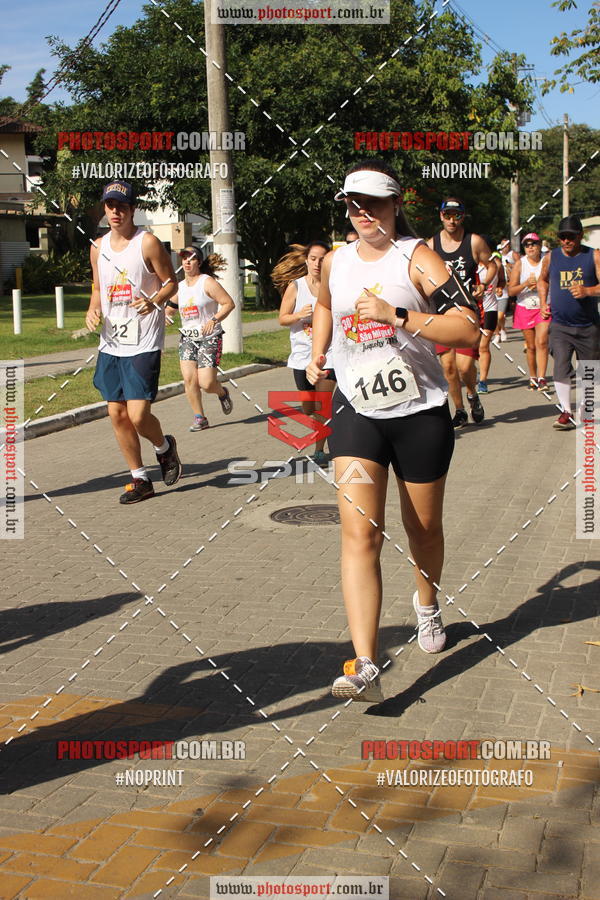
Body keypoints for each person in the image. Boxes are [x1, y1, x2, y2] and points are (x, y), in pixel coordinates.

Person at [306, 160, 480, 702]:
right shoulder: (335, 261)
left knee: (422, 529)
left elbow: (469, 328)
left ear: (395, 205)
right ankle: (363, 662)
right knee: (360, 532)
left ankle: (427, 604)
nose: (363, 214)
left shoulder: (417, 257)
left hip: (420, 410)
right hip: (356, 408)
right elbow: (325, 309)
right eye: (353, 205)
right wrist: (318, 354)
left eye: (374, 204)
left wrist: (398, 315)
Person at [86, 181, 182, 504]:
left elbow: (172, 283)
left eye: (122, 206)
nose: (115, 212)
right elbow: (98, 290)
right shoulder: (98, 248)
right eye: (110, 206)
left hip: (143, 340)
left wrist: (154, 301)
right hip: (111, 342)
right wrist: (92, 310)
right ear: (105, 209)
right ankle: (140, 478)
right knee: (116, 413)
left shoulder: (148, 244)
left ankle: (165, 448)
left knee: (138, 415)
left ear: (132, 209)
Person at [427, 198, 496, 426]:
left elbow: (492, 264)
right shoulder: (431, 245)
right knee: (448, 367)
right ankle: (460, 411)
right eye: (447, 215)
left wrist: (483, 284)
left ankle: (473, 395)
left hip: (466, 312)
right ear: (441, 216)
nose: (452, 220)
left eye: (456, 215)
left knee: (465, 367)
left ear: (463, 217)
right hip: (440, 313)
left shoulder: (473, 241)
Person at [273, 241, 336, 465]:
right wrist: (299, 314)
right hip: (301, 356)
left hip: (329, 355)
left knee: (323, 404)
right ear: (307, 260)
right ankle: (324, 425)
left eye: (322, 259)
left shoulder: (334, 285)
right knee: (309, 407)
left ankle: (320, 449)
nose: (318, 264)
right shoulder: (296, 287)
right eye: (313, 259)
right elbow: (282, 318)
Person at [538, 215, 600, 430]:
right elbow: (542, 280)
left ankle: (585, 408)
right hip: (560, 325)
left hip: (588, 326)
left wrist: (588, 291)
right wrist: (543, 303)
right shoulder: (551, 258)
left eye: (571, 237)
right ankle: (566, 411)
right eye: (562, 237)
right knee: (560, 367)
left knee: (589, 371)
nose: (566, 241)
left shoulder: (593, 256)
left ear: (580, 236)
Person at [165, 246, 234, 431]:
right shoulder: (179, 287)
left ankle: (222, 392)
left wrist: (214, 319)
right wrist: (166, 316)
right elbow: (170, 308)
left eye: (191, 258)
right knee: (189, 379)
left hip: (210, 337)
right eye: (184, 258)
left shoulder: (207, 282)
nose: (187, 262)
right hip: (188, 337)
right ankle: (200, 417)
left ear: (199, 262)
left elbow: (228, 303)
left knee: (207, 383)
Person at [507, 233, 551, 391]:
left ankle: (542, 378)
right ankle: (532, 377)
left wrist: (542, 286)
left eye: (534, 244)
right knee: (531, 346)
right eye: (527, 245)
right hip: (525, 306)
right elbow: (511, 290)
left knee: (542, 342)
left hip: (543, 306)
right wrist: (526, 284)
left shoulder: (547, 261)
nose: (531, 247)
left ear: (540, 246)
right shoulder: (520, 264)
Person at [475, 238, 502, 393]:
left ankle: (483, 381)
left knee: (483, 346)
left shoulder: (496, 265)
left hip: (490, 309)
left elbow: (503, 281)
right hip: (472, 310)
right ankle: (472, 373)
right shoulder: (470, 264)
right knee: (471, 347)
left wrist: (500, 288)